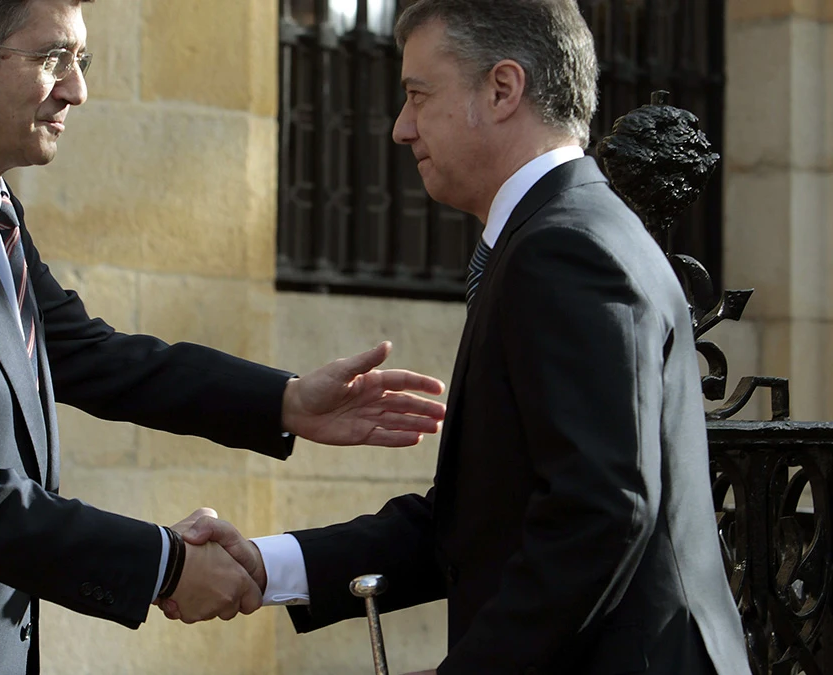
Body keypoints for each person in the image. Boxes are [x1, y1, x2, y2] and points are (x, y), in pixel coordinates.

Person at [0, 0, 448, 673]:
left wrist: (286, 401)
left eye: (83, 60)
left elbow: (89, 353)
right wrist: (165, 563)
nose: (76, 90)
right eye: (52, 58)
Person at [165, 1, 752, 674]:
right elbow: (476, 523)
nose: (401, 127)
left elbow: (599, 513)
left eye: (418, 95)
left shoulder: (564, 248)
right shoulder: (557, 233)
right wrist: (267, 564)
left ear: (502, 89)